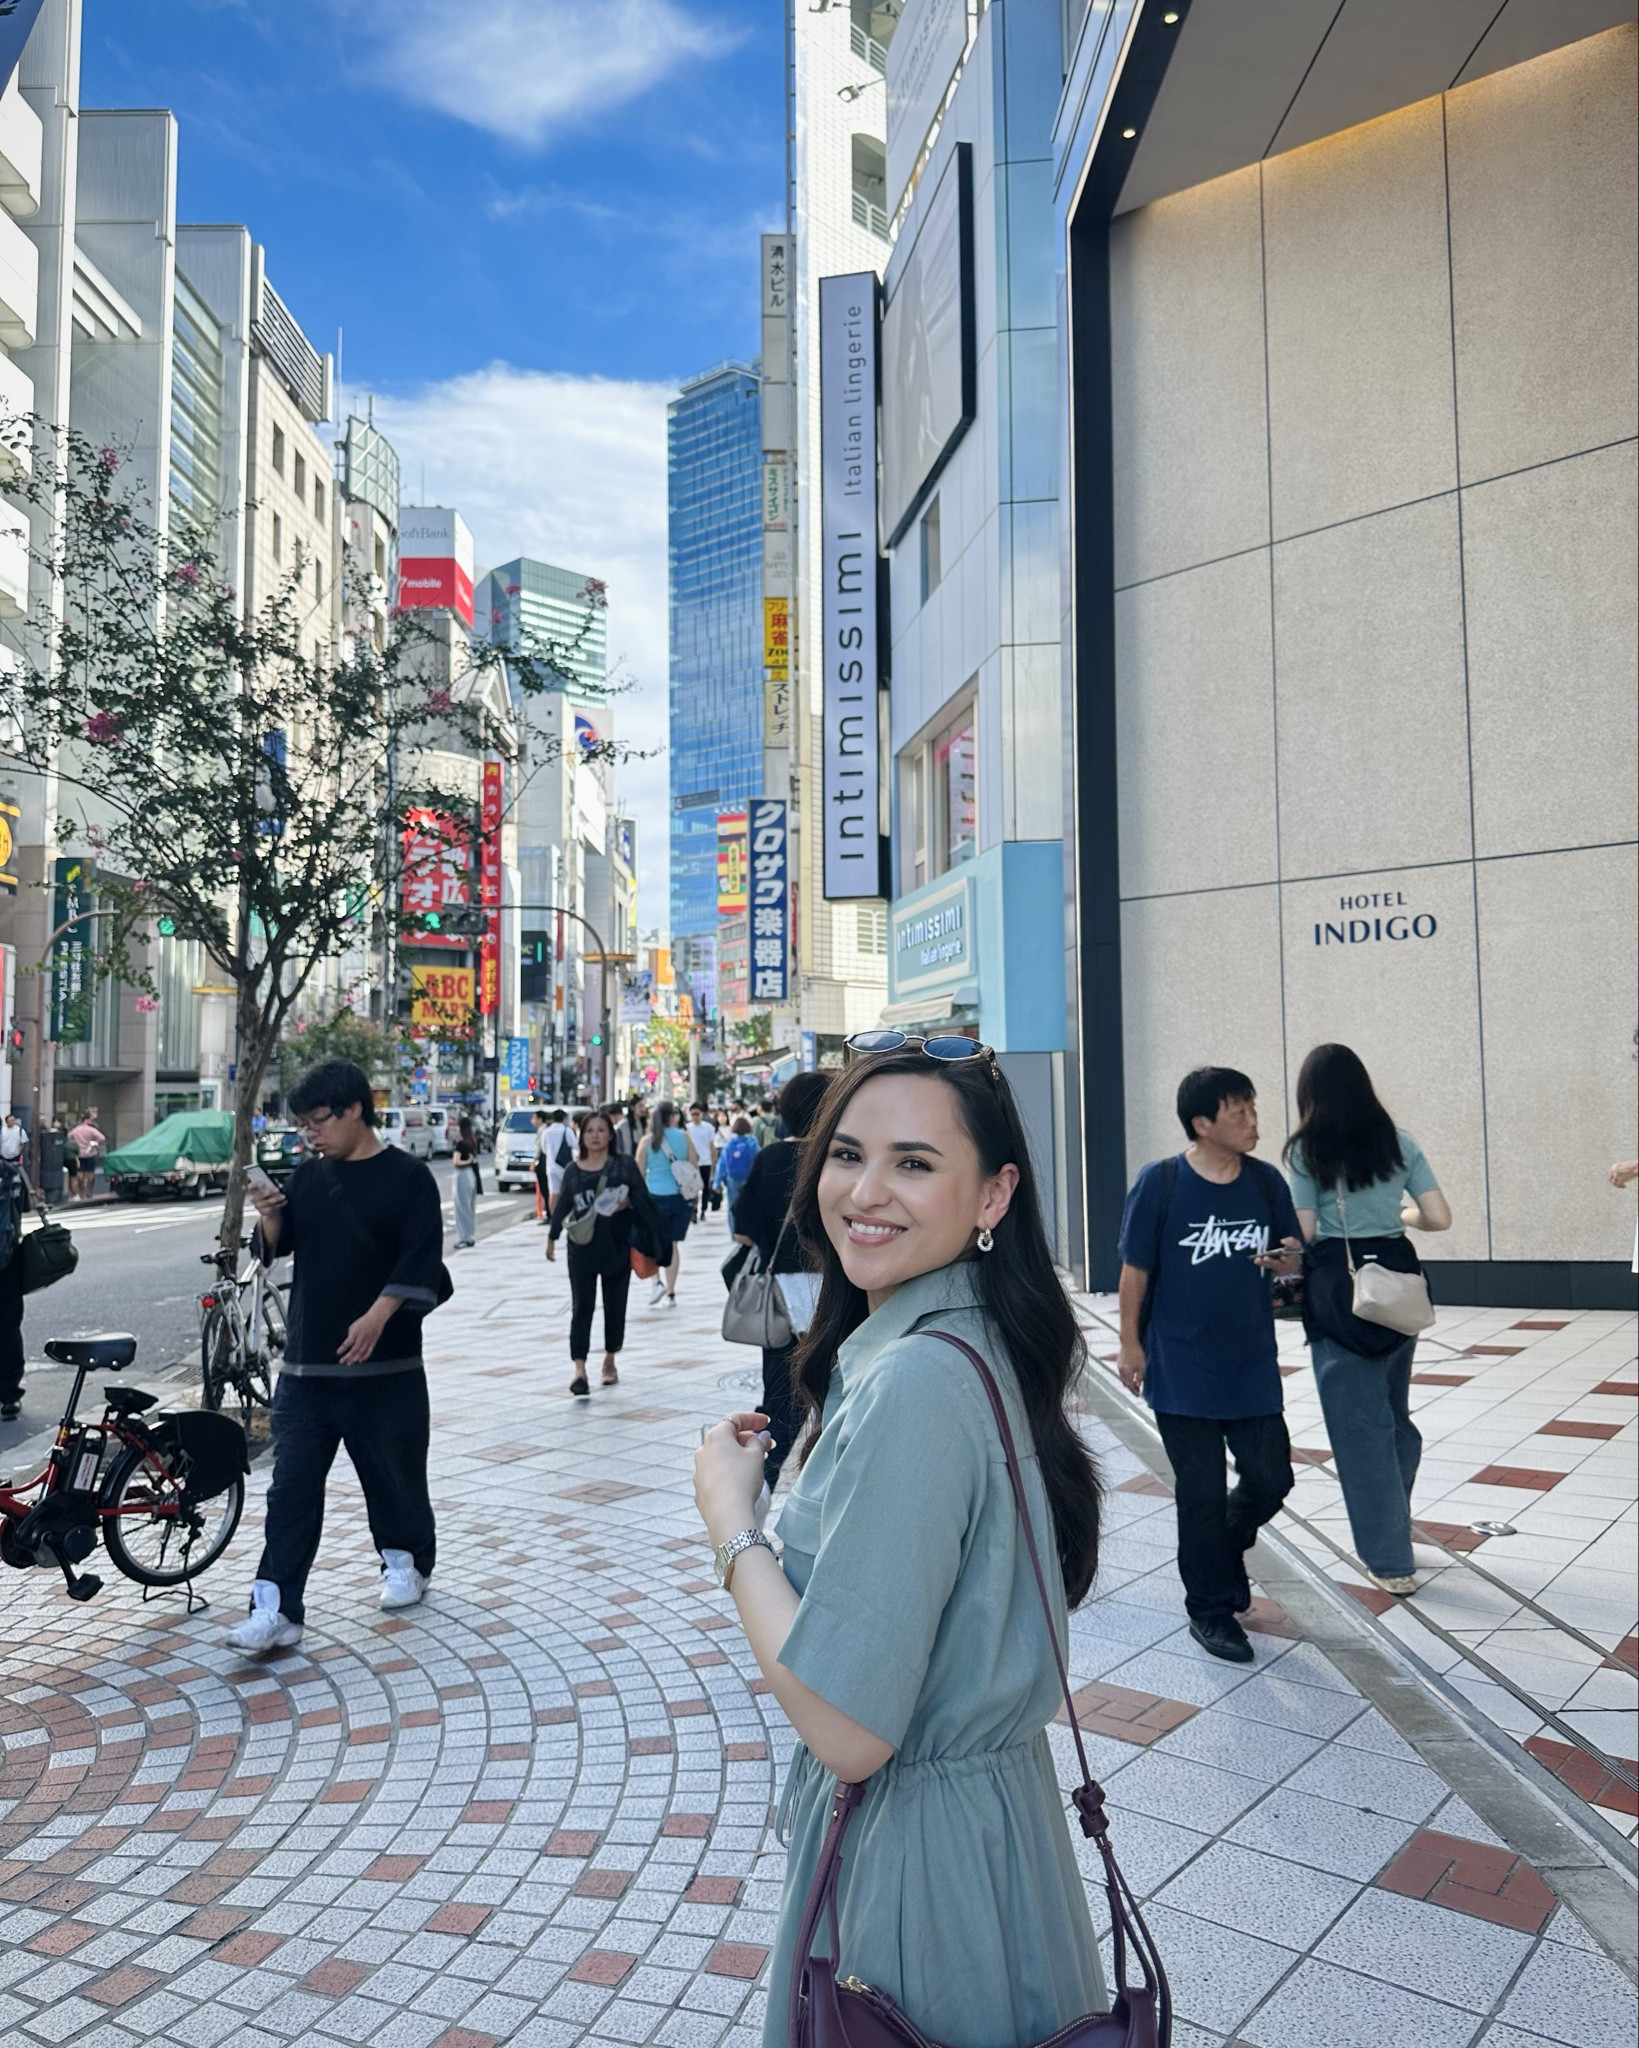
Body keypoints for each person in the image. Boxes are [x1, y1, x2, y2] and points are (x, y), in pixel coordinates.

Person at [693, 1038, 1107, 2044]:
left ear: (992, 1194)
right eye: (846, 1153)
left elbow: (847, 1728)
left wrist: (729, 1520)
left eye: (914, 1162)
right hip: (994, 1839)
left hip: (917, 1876)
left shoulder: (914, 1380)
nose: (865, 1191)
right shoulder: (969, 1337)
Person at [228, 1059, 445, 1656]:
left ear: (354, 1109)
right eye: (302, 1125)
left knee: (394, 1475)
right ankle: (275, 1609)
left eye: (318, 1121)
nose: (310, 1135)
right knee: (290, 1490)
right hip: (306, 1369)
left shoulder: (409, 1178)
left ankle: (405, 1562)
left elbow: (421, 1260)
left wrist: (379, 1317)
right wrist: (271, 1214)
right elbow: (273, 1249)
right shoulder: (307, 1178)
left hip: (387, 1369)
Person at [1116, 1066, 1303, 1663]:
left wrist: (1286, 1262)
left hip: (1250, 1361)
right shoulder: (1162, 1183)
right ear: (1202, 1124)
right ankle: (1211, 1611)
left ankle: (1223, 1549)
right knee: (1199, 1492)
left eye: (1252, 1107)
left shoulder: (1266, 1181)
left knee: (1273, 1477)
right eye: (1238, 1111)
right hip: (1181, 1362)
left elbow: (1293, 1251)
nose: (1252, 1119)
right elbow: (1134, 1271)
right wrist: (1129, 1344)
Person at [1285, 1044, 1451, 1595]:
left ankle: (1389, 1559)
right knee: (1392, 1415)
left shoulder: (1307, 1151)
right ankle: (1393, 1526)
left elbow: (1305, 1233)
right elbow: (1438, 1218)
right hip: (1399, 1288)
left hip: (1342, 1288)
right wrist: (1397, 1215)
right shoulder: (1398, 1143)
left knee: (1360, 1429)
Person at [730, 1074, 828, 1489]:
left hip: (781, 1300)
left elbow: (743, 1227)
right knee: (834, 1396)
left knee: (780, 1401)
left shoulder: (770, 1159)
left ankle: (758, 1488)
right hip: (837, 1292)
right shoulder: (838, 1156)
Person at [547, 1108, 670, 1397]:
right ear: (581, 1135)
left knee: (615, 1307)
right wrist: (552, 1237)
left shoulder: (623, 1165)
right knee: (582, 1307)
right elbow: (564, 1204)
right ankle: (579, 1369)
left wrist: (629, 1202)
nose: (595, 1136)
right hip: (581, 1250)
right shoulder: (573, 1170)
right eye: (589, 1130)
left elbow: (644, 1199)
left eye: (601, 1130)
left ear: (610, 1135)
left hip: (617, 1247)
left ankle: (610, 1360)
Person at [636, 1099, 691, 1307]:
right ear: (672, 1116)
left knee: (653, 1243)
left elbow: (638, 1173)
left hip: (653, 1198)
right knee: (673, 1245)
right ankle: (671, 1293)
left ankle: (656, 1283)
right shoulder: (684, 1137)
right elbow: (692, 1165)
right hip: (678, 1197)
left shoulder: (647, 1141)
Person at [0, 1150, 27, 1420]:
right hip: (8, 1261)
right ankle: (9, 1395)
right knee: (8, 1327)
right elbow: (23, 1209)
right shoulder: (12, 1172)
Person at [717, 1115, 758, 1221]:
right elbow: (758, 1159)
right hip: (748, 1178)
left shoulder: (729, 1143)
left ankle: (733, 1233)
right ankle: (747, 1231)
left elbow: (722, 1163)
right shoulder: (752, 1142)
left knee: (732, 1206)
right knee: (749, 1206)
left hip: (732, 1178)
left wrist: (717, 1182)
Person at [451, 1117, 480, 1248]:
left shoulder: (461, 1144)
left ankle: (465, 1237)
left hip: (462, 1174)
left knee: (461, 1207)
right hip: (471, 1175)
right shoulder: (473, 1142)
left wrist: (467, 1161)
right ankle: (470, 1235)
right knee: (469, 1207)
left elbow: (456, 1161)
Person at [686, 1102, 717, 1221]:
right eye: (693, 1114)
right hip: (692, 1162)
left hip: (705, 1161)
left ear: (702, 1114)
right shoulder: (687, 1129)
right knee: (693, 1188)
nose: (695, 1116)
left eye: (697, 1114)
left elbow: (711, 1144)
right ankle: (694, 1210)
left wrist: (714, 1157)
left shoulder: (708, 1128)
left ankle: (703, 1209)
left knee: (705, 1187)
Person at [68, 1106, 104, 1199]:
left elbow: (69, 1136)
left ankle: (81, 1192)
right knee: (90, 1174)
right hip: (90, 1154)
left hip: (79, 1154)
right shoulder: (91, 1130)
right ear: (87, 1120)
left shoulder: (76, 1130)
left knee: (80, 1174)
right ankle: (90, 1192)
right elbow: (101, 1138)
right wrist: (94, 1143)